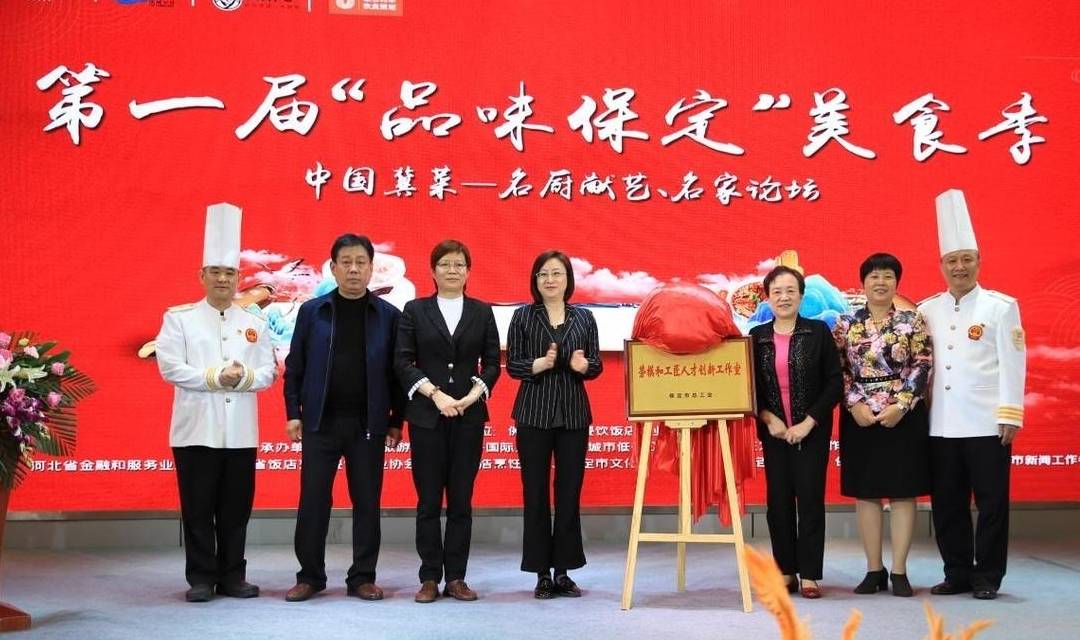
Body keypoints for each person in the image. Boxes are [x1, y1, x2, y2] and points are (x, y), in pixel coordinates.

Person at [155, 203, 277, 602]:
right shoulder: (180, 318)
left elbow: (268, 372)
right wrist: (213, 377)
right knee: (197, 508)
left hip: (240, 432)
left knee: (236, 509)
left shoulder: (254, 322)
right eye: (215, 272)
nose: (223, 279)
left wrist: (243, 377)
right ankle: (201, 578)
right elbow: (170, 367)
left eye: (229, 273)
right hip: (194, 430)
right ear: (202, 276)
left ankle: (233, 576)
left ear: (238, 278)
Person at [282, 233, 405, 602]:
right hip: (320, 422)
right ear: (333, 269)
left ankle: (362, 576)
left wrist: (396, 420)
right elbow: (295, 367)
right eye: (346, 262)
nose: (353, 269)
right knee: (313, 500)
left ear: (371, 269)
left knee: (367, 501)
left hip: (368, 424)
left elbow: (398, 374)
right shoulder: (313, 312)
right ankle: (309, 576)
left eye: (360, 263)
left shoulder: (389, 316)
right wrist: (293, 413)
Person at [918, 189, 1026, 600]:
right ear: (942, 266)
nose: (959, 267)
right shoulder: (927, 310)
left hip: (986, 421)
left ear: (979, 262)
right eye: (952, 260)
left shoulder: (1001, 307)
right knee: (947, 503)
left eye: (966, 259)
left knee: (992, 503)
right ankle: (957, 572)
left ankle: (988, 576)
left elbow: (1014, 362)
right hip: (941, 424)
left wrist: (1010, 414)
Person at [394, 240, 501, 603]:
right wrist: (435, 395)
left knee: (461, 500)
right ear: (433, 270)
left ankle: (456, 577)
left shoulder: (481, 312)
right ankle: (429, 577)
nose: (452, 270)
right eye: (445, 264)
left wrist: (472, 396)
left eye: (459, 264)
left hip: (469, 417)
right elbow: (403, 362)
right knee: (427, 501)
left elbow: (492, 363)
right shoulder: (415, 310)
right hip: (427, 417)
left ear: (468, 272)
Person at [834, 253, 933, 597]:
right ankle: (873, 569)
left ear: (896, 282)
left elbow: (923, 364)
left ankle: (900, 570)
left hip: (903, 416)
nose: (880, 282)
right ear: (863, 283)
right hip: (860, 416)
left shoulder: (912, 320)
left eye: (888, 276)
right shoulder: (845, 323)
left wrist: (902, 405)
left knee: (903, 491)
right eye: (874, 276)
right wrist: (854, 403)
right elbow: (839, 369)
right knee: (867, 493)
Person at [506, 250, 602, 599]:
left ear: (567, 280)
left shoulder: (584, 317)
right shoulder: (523, 316)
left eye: (556, 273)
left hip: (573, 415)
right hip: (533, 413)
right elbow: (513, 365)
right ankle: (541, 573)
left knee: (568, 493)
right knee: (535, 493)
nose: (550, 280)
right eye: (543, 274)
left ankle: (563, 571)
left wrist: (583, 367)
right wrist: (540, 364)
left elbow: (595, 365)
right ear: (535, 280)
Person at [749, 265, 842, 599]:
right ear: (767, 298)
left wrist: (809, 422)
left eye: (790, 290)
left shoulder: (818, 332)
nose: (784, 297)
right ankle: (786, 571)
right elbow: (748, 387)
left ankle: (811, 575)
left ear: (801, 296)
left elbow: (834, 382)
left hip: (811, 433)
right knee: (778, 503)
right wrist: (767, 417)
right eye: (777, 291)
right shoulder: (756, 337)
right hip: (774, 433)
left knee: (811, 501)